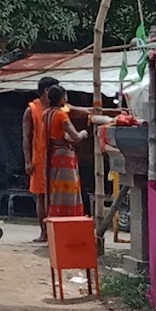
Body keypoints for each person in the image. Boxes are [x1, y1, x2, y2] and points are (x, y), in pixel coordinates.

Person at [21, 76, 60, 241]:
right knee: (41, 196)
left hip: (56, 157)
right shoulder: (31, 109)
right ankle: (44, 232)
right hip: (39, 157)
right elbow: (26, 137)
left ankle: (55, 231)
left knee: (57, 195)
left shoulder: (58, 107)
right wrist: (28, 161)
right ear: (46, 91)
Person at [42, 84, 88, 220]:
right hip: (65, 156)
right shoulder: (61, 115)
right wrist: (84, 133)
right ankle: (68, 217)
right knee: (68, 190)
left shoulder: (46, 114)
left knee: (56, 190)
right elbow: (76, 137)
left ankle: (56, 216)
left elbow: (55, 135)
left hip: (53, 155)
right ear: (62, 98)